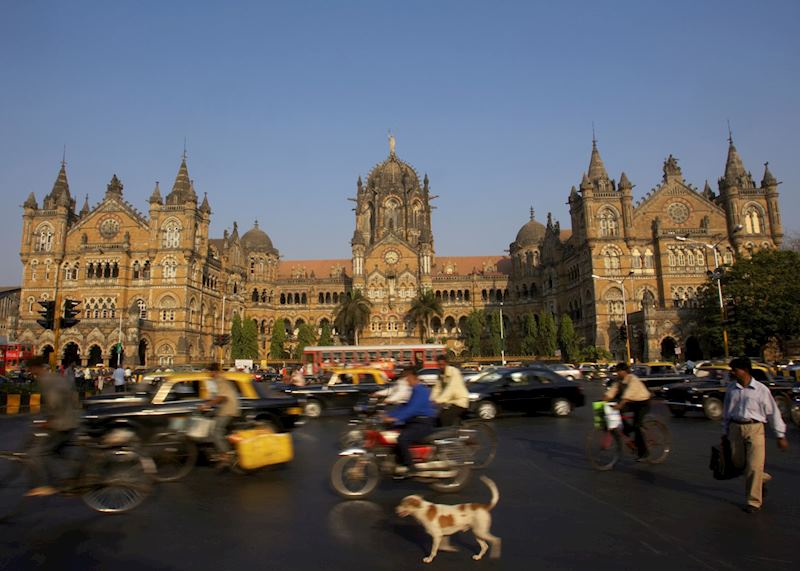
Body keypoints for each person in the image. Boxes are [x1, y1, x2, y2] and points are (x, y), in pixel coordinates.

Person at [722, 356, 788, 513]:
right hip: (735, 428)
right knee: (738, 463)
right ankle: (760, 478)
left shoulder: (761, 390)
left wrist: (780, 435)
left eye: (735, 370)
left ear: (745, 370)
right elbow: (726, 411)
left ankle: (753, 501)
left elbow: (773, 412)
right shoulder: (731, 389)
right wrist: (725, 432)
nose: (732, 373)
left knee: (753, 465)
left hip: (755, 428)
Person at [25, 356, 80, 497]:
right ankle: (73, 475)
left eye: (30, 369)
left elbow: (55, 402)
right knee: (57, 452)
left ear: (34, 368)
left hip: (61, 423)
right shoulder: (57, 377)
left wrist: (49, 421)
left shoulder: (45, 380)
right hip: (72, 420)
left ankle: (44, 485)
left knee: (37, 453)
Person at [384, 367, 435, 475]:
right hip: (414, 421)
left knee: (402, 439)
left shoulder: (420, 390)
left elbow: (412, 409)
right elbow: (404, 407)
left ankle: (411, 468)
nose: (406, 381)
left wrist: (396, 418)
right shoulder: (414, 390)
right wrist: (389, 416)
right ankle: (398, 461)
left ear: (413, 377)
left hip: (422, 423)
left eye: (407, 378)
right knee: (391, 431)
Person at [604, 362, 651, 461]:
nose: (617, 373)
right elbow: (611, 392)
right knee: (618, 414)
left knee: (637, 426)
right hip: (632, 402)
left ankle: (644, 453)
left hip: (643, 403)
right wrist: (603, 401)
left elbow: (627, 396)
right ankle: (627, 429)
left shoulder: (632, 379)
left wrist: (619, 405)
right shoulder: (619, 381)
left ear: (624, 371)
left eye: (618, 371)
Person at [202, 362, 241, 463]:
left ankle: (226, 454)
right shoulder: (217, 379)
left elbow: (222, 397)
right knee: (208, 418)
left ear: (214, 371)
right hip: (224, 407)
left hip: (229, 408)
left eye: (209, 371)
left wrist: (208, 404)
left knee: (217, 430)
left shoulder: (220, 380)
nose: (208, 373)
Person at [431, 355, 469, 427]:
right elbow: (437, 389)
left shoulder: (454, 372)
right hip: (450, 402)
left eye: (442, 364)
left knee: (445, 418)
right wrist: (431, 399)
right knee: (436, 416)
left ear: (446, 364)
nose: (441, 367)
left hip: (460, 401)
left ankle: (447, 433)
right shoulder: (440, 375)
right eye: (439, 365)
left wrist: (438, 400)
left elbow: (451, 389)